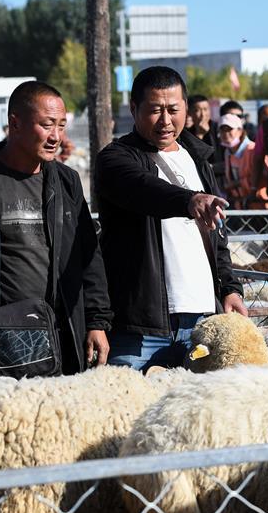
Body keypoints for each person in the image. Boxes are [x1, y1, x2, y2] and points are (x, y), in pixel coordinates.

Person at [0, 81, 111, 384]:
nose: (56, 136)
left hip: (63, 331)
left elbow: (87, 257)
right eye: (47, 125)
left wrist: (97, 321)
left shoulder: (66, 181)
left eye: (61, 126)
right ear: (14, 124)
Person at [95, 66, 246, 372]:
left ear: (186, 109)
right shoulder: (115, 158)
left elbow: (217, 237)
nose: (165, 120)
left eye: (173, 110)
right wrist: (189, 200)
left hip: (203, 321)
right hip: (140, 328)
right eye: (155, 110)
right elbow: (143, 188)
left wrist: (230, 288)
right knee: (127, 414)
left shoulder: (198, 157)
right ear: (134, 109)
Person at [218, 113, 256, 206]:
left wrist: (235, 184)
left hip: (259, 205)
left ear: (240, 130)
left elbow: (259, 177)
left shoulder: (252, 149)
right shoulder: (228, 152)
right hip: (240, 205)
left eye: (229, 129)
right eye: (222, 130)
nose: (225, 133)